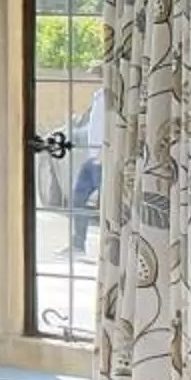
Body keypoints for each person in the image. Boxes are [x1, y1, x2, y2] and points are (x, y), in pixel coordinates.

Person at [67, 84, 105, 258]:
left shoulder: (115, 93)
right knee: (78, 197)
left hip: (105, 158)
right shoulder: (99, 95)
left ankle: (109, 248)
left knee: (106, 205)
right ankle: (78, 243)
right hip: (93, 158)